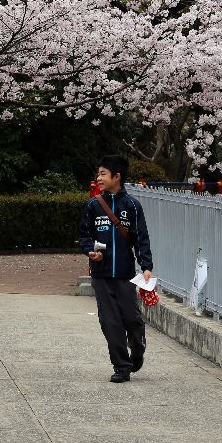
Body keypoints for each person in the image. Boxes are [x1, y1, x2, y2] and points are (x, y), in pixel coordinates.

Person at [78, 154, 154, 383]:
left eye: (103, 174)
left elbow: (141, 237)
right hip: (101, 275)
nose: (98, 178)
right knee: (110, 322)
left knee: (131, 318)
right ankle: (121, 366)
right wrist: (90, 250)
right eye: (98, 173)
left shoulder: (132, 205)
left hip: (125, 274)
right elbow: (84, 235)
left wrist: (146, 266)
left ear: (116, 176)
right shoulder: (93, 206)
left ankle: (137, 347)